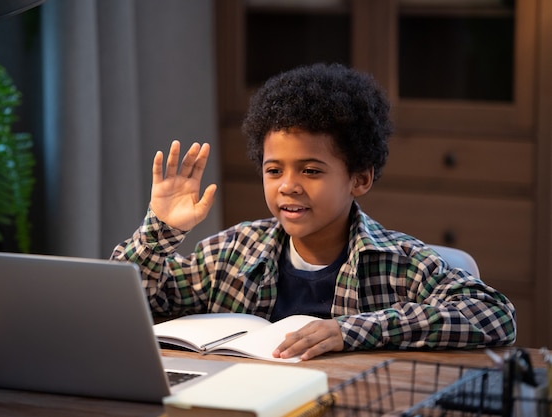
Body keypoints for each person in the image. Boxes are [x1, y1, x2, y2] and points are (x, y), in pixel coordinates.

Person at [111, 63, 516, 361]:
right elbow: (126, 304)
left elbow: (494, 314)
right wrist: (160, 231)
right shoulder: (232, 252)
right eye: (274, 170)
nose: (288, 184)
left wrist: (349, 330)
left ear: (359, 179)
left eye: (311, 170)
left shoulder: (398, 263)